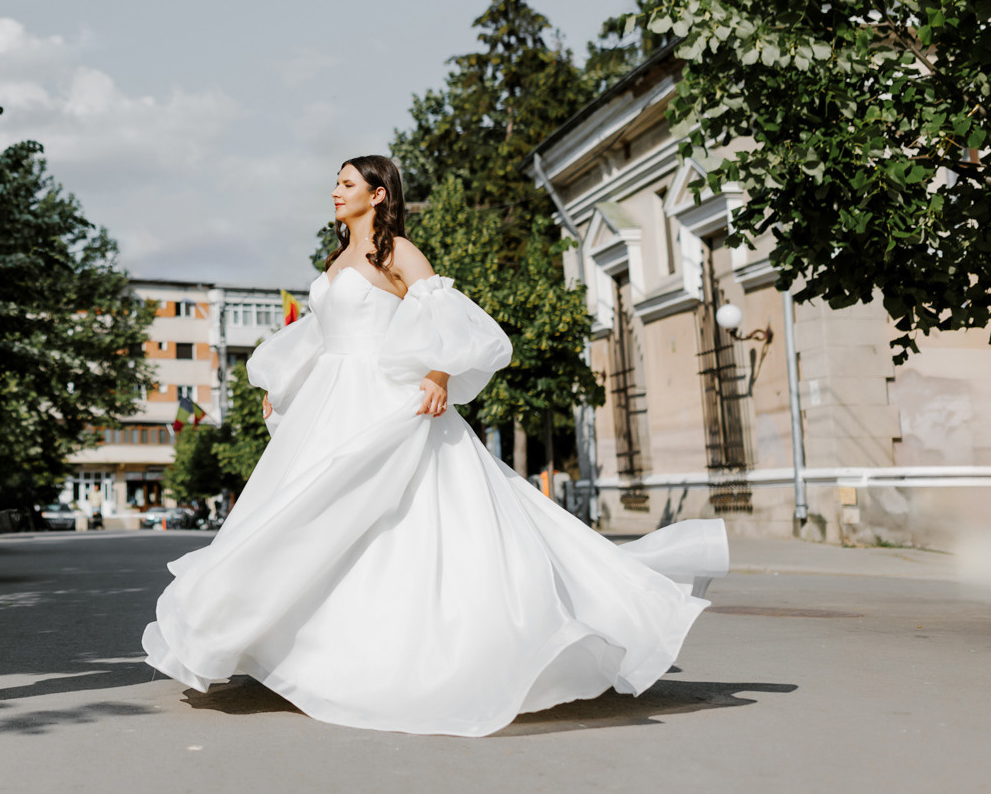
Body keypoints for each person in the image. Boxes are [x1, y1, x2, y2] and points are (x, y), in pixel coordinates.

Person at [141, 155, 728, 737]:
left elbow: (446, 318)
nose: (335, 191)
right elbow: (320, 334)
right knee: (310, 516)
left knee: (392, 514)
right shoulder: (338, 259)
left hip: (387, 398)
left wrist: (440, 374)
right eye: (335, 183)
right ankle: (302, 645)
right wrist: (283, 385)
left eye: (346, 183)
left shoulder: (397, 252)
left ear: (377, 194)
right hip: (330, 401)